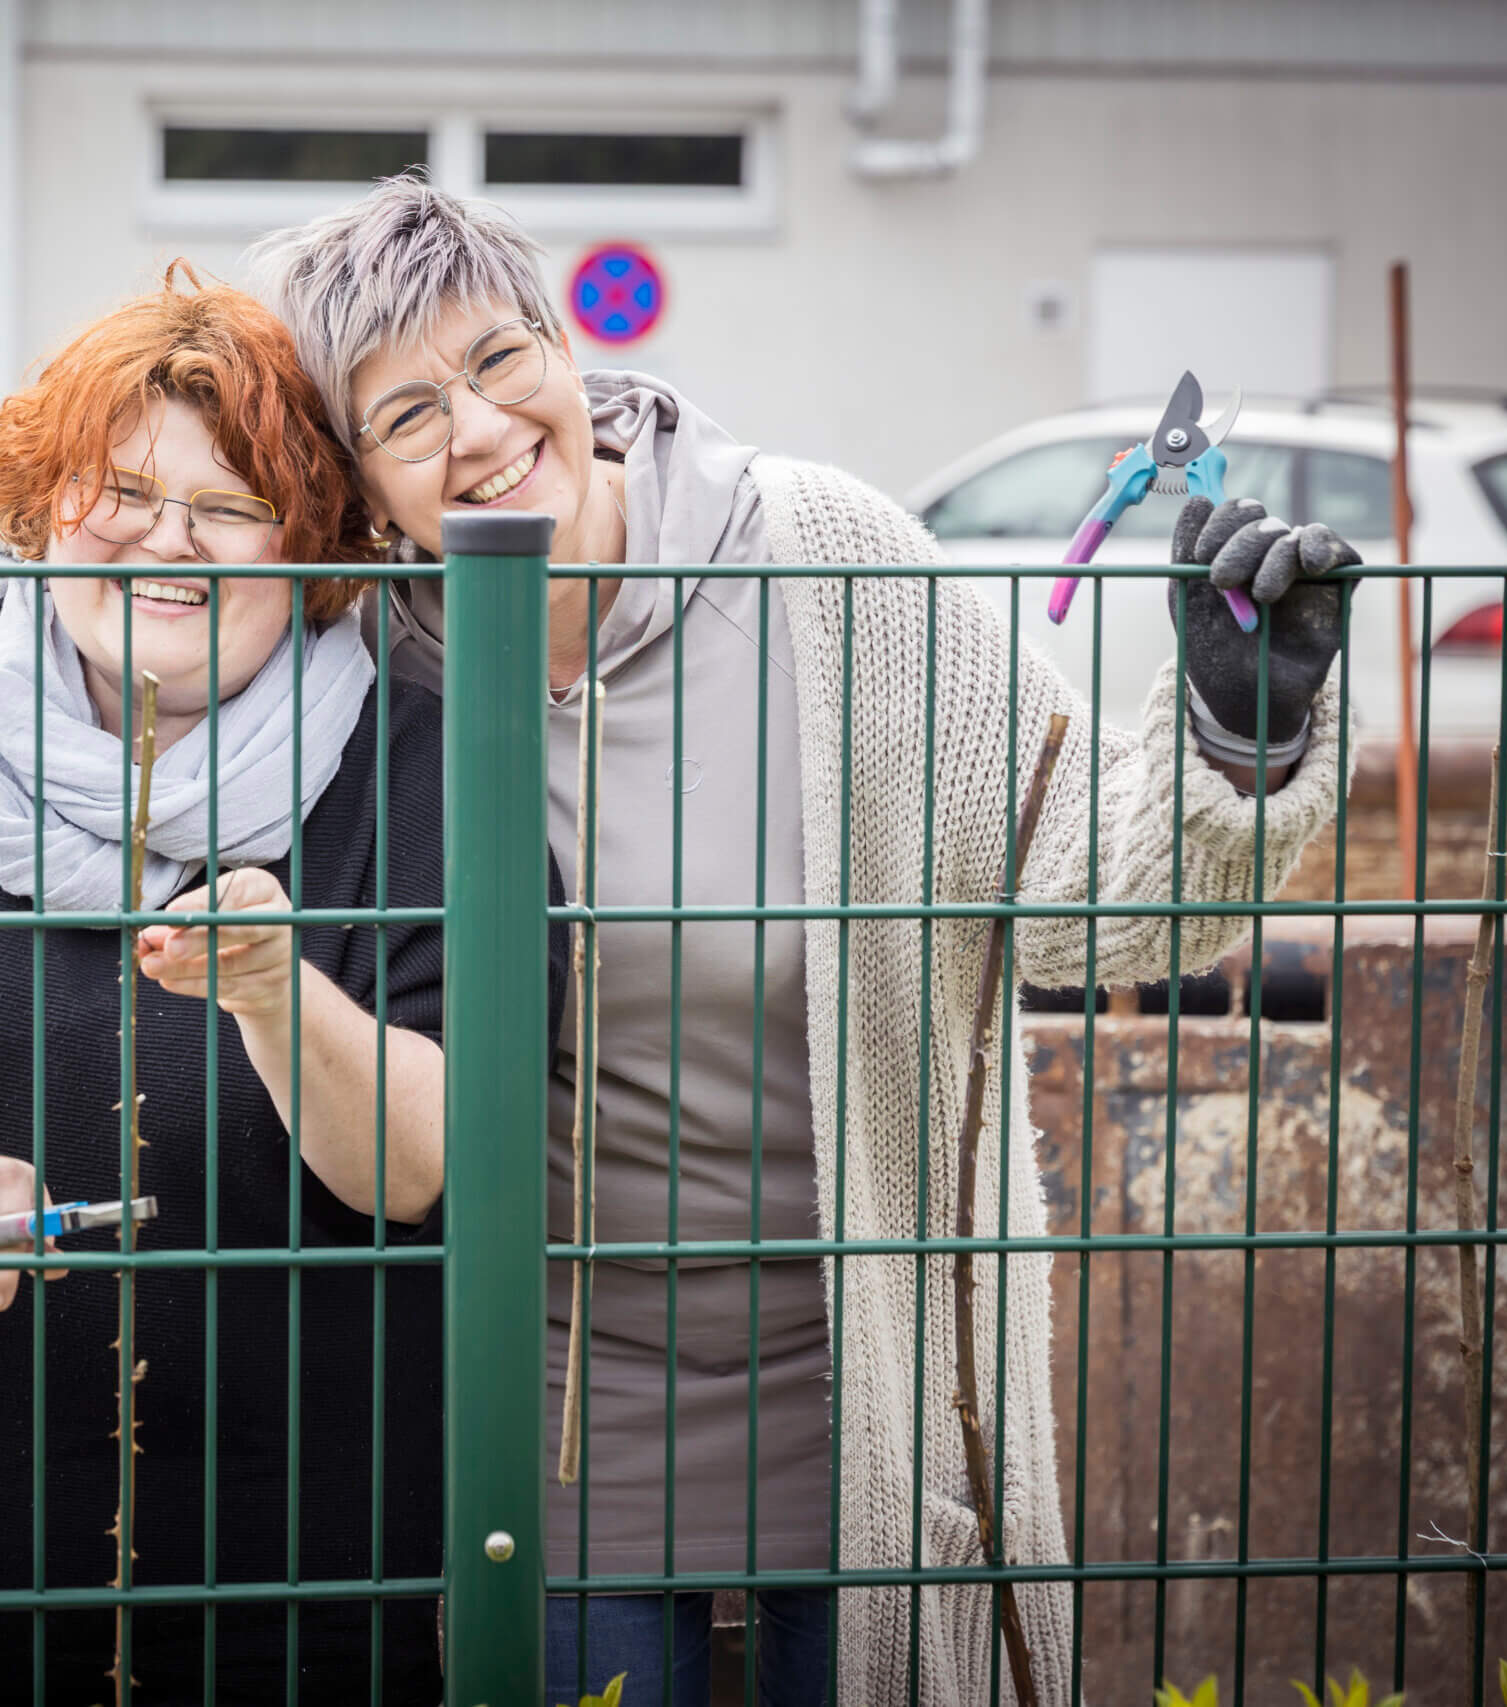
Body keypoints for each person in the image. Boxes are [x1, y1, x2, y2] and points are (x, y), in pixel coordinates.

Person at [241, 175, 1360, 1705]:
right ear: (361, 482)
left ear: (570, 356)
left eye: (501, 361)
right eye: (407, 412)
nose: (483, 431)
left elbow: (1079, 896)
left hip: (872, 1378)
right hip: (555, 1403)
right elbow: (134, 532)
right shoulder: (355, 644)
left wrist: (1241, 736)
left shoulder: (826, 560)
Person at [0, 269, 566, 1705]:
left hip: (266, 1606)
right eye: (118, 490)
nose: (166, 540)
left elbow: (421, 1165)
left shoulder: (422, 779)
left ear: (313, 535)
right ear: (41, 506)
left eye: (230, 502)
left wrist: (278, 996)